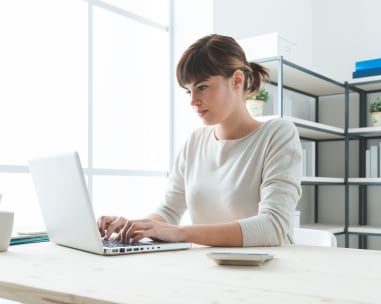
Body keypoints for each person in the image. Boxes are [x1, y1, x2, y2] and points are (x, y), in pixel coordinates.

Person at [97, 34, 302, 247]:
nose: (193, 101)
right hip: (211, 270)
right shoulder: (195, 141)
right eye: (189, 91)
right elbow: (169, 211)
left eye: (202, 87)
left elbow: (272, 227)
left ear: (237, 80)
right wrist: (133, 226)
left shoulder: (278, 134)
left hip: (270, 272)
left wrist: (181, 233)